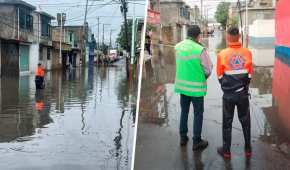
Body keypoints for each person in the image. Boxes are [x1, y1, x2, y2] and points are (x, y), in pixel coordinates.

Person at [216, 27, 253, 159]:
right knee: (245, 121)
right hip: (242, 94)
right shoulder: (247, 53)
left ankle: (226, 151)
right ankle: (248, 149)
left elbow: (219, 76)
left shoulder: (222, 54)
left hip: (228, 96)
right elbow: (249, 75)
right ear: (239, 36)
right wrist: (243, 87)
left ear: (227, 37)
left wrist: (227, 88)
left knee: (227, 122)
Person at [174, 25, 213, 150]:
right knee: (198, 114)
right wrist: (203, 78)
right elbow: (208, 69)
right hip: (196, 89)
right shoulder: (199, 49)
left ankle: (183, 137)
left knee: (184, 112)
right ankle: (196, 141)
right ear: (198, 36)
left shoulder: (178, 47)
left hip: (182, 87)